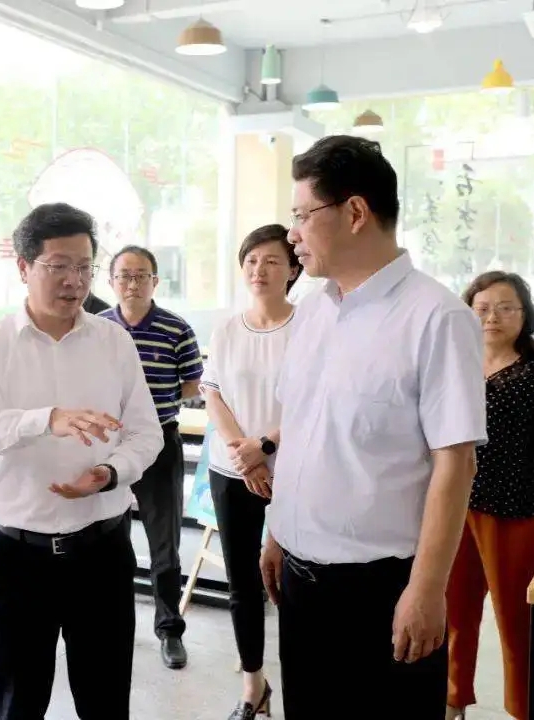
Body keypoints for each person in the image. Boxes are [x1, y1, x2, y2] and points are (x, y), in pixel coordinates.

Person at [259, 136, 487, 719]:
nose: (292, 234)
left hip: (381, 591)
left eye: (302, 215)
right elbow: (303, 431)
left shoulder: (436, 318)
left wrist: (427, 588)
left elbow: (456, 463)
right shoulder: (313, 310)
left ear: (355, 212)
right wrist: (277, 532)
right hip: (301, 583)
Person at [0, 202, 163, 720]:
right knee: (21, 703)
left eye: (85, 267)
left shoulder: (113, 341)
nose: (75, 281)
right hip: (19, 557)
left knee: (105, 700)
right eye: (59, 266)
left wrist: (109, 474)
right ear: (24, 267)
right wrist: (45, 420)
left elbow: (146, 433)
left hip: (102, 552)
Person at [446, 271, 534, 720]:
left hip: (518, 514)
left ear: (525, 315)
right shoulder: (453, 368)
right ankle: (451, 699)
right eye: (482, 308)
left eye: (506, 308)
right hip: (452, 509)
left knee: (519, 621)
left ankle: (524, 709)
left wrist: (531, 497)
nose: (492, 317)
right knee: (451, 612)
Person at [201, 224, 301, 720]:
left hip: (296, 471)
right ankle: (252, 685)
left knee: (294, 583)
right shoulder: (226, 328)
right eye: (251, 260)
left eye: (272, 260)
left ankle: (304, 688)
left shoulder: (307, 327)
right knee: (242, 584)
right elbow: (212, 392)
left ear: (294, 269)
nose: (259, 270)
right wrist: (243, 454)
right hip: (232, 470)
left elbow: (314, 401)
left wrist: (264, 447)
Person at [99, 245, 202, 669]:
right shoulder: (97, 328)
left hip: (160, 443)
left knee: (165, 542)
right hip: (108, 444)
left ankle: (169, 630)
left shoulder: (176, 329)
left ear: (155, 282)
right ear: (111, 281)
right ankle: (112, 623)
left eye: (141, 275)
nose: (132, 283)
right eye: (124, 275)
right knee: (108, 538)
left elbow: (192, 385)